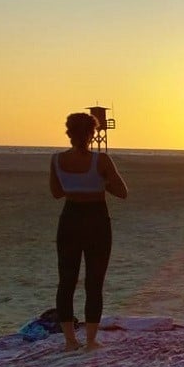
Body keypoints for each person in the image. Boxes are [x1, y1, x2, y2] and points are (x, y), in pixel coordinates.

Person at [48, 112, 128, 351]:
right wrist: (100, 182)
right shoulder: (101, 161)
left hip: (70, 218)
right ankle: (91, 340)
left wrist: (77, 186)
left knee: (67, 280)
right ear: (93, 134)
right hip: (96, 219)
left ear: (68, 134)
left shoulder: (56, 160)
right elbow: (122, 192)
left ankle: (70, 340)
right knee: (94, 282)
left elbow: (56, 193)